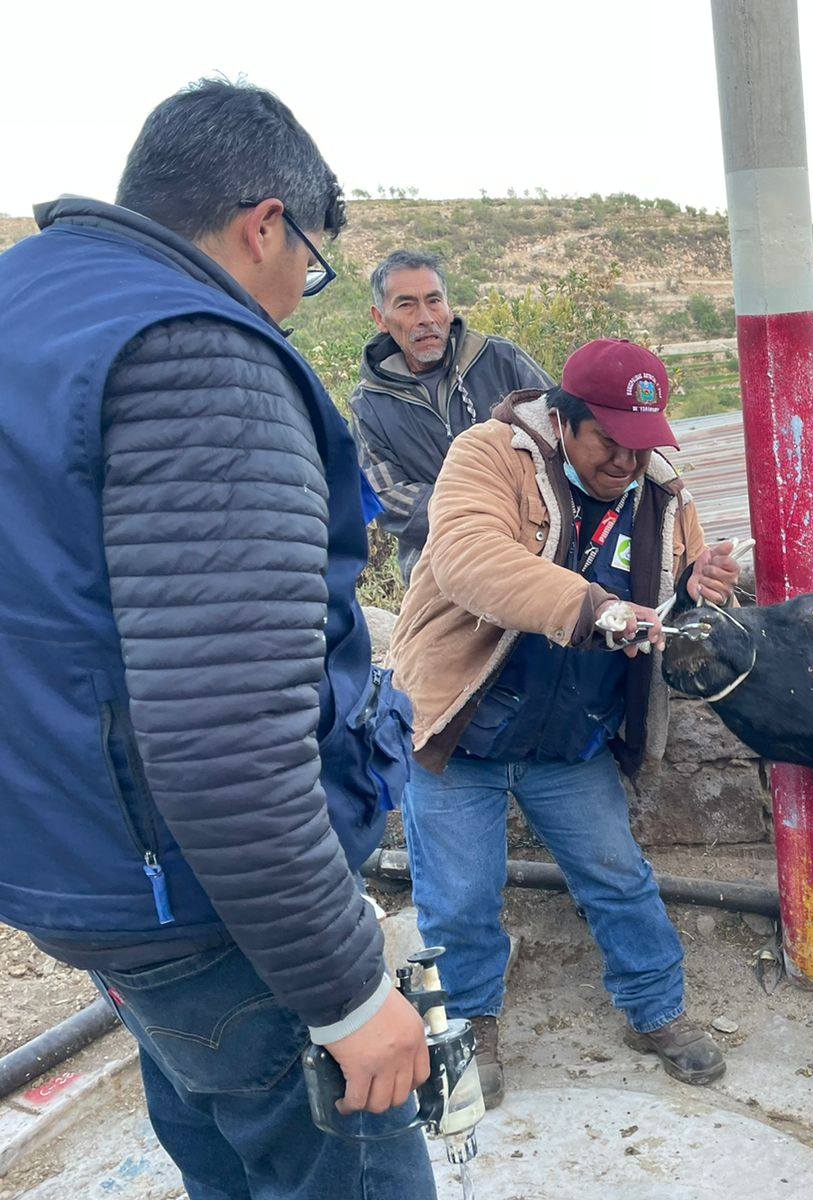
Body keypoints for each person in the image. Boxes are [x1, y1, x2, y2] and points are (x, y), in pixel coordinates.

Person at [0, 81, 437, 1199]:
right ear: (265, 223)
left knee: (217, 1143)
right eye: (311, 264)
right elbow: (225, 742)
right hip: (207, 909)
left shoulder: (24, 306)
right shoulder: (198, 358)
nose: (298, 295)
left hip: (75, 868)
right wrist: (350, 994)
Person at [388, 338, 740, 1105]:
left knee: (618, 876)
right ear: (564, 419)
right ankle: (469, 1026)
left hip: (568, 735)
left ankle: (656, 1010)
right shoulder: (488, 454)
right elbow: (467, 556)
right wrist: (595, 608)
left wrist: (699, 578)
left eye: (641, 445)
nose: (626, 461)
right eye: (607, 442)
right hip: (463, 726)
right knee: (460, 897)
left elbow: (678, 581)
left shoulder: (660, 485)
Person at [351, 250, 553, 580]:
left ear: (449, 306)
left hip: (534, 531)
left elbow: (558, 432)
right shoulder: (369, 404)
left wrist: (526, 511)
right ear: (380, 318)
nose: (426, 317)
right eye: (406, 305)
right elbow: (386, 495)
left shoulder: (500, 359)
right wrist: (479, 513)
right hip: (438, 552)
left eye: (434, 301)